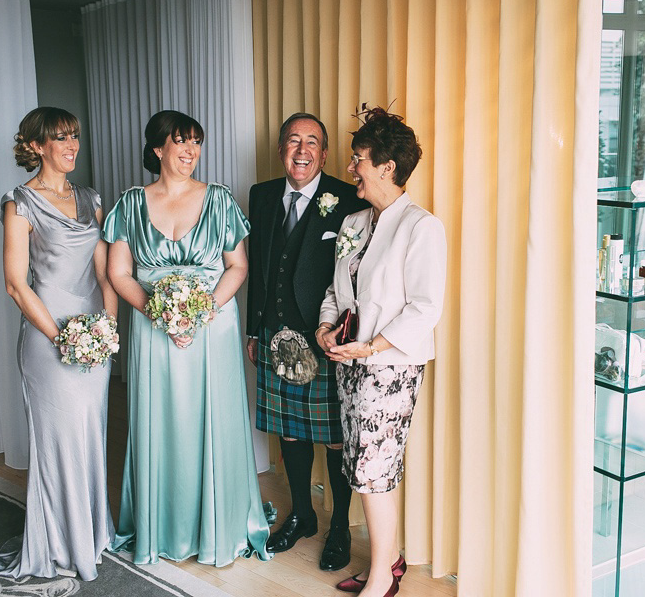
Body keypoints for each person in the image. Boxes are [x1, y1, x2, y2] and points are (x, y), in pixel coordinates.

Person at [103, 110, 271, 566]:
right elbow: (119, 273)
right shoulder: (130, 204)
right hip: (153, 331)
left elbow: (238, 267)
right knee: (162, 424)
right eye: (181, 142)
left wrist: (199, 313)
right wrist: (160, 312)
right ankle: (163, 526)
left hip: (212, 329)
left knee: (210, 421)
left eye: (197, 142)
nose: (191, 151)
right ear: (158, 148)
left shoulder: (218, 200)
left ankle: (221, 526)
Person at [316, 107, 446, 597]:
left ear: (387, 168)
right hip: (348, 365)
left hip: (389, 368)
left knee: (373, 473)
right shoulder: (353, 222)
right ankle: (389, 562)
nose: (352, 169)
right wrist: (327, 328)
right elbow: (337, 292)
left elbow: (424, 308)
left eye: (359, 160)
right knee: (367, 469)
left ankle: (381, 579)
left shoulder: (421, 227)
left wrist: (370, 346)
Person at [0, 107, 116, 581]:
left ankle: (89, 533)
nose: (71, 146)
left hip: (93, 337)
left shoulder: (91, 198)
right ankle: (61, 543)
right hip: (49, 339)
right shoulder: (19, 203)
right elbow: (15, 284)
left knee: (91, 433)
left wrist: (106, 326)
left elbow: (105, 272)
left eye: (74, 137)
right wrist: (61, 335)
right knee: (59, 440)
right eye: (61, 138)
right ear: (37, 146)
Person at [246, 113, 366, 571]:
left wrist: (344, 333)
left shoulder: (346, 199)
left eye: (311, 142)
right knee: (290, 430)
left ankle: (338, 527)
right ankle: (302, 515)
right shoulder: (260, 195)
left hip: (326, 335)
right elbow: (258, 267)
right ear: (280, 149)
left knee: (335, 438)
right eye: (293, 141)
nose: (302, 150)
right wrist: (256, 328)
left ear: (324, 152)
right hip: (276, 334)